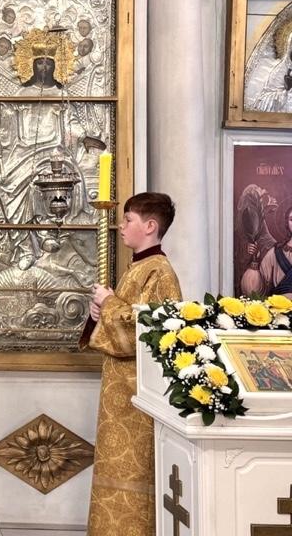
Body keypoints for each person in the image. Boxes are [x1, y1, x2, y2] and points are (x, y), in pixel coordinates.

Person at [85, 192, 182, 536]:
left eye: (128, 220)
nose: (121, 225)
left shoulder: (160, 272)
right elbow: (124, 316)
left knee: (134, 471)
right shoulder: (139, 267)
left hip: (138, 392)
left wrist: (110, 303)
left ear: (150, 226)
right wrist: (99, 312)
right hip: (120, 389)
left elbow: (148, 332)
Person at [256, 204, 292, 295]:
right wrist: (254, 260)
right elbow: (261, 284)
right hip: (280, 303)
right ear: (287, 223)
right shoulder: (276, 252)